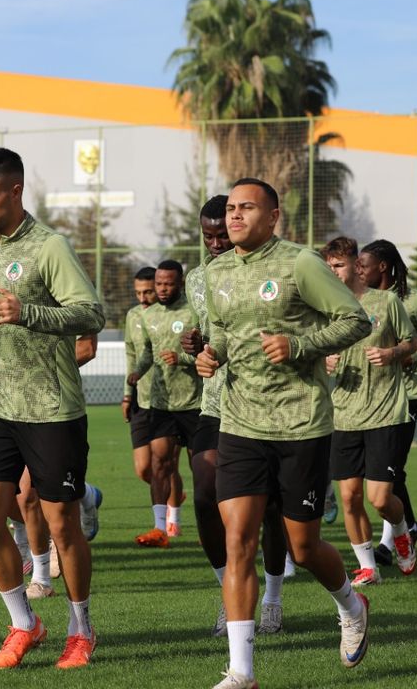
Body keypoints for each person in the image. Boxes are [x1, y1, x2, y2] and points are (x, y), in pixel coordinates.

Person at [196, 178, 372, 689]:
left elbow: (355, 320)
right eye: (231, 208)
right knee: (238, 540)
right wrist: (212, 353)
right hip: (240, 423)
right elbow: (223, 331)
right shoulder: (216, 271)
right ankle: (241, 672)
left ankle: (351, 604)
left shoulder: (300, 263)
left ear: (273, 216)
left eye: (247, 208)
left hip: (301, 424)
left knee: (303, 547)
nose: (234, 216)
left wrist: (299, 346)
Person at [0, 148, 106, 670]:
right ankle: (24, 623)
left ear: (16, 190)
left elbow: (91, 313)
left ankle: (81, 629)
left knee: (62, 525)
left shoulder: (50, 246)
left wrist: (29, 313)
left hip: (52, 408)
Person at [181, 195, 288, 636]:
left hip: (267, 403)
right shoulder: (197, 279)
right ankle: (230, 592)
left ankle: (273, 598)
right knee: (205, 492)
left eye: (221, 235)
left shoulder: (275, 268)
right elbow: (207, 339)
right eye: (208, 237)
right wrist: (195, 346)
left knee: (271, 508)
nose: (215, 244)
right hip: (216, 403)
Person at [321, 237, 417, 584]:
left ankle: (402, 530)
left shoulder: (386, 302)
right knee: (349, 497)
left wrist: (392, 354)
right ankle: (368, 567)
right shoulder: (326, 309)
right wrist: (325, 360)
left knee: (379, 499)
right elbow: (316, 350)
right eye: (329, 266)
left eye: (338, 265)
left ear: (355, 265)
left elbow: (412, 342)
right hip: (343, 414)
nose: (333, 272)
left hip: (384, 413)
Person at [357, 239, 417, 562]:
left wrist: (411, 357)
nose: (358, 271)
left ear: (382, 267)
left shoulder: (415, 301)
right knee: (380, 471)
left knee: (391, 469)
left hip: (404, 397)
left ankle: (390, 541)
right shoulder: (361, 301)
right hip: (368, 398)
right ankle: (408, 526)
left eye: (363, 266)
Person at [129, 259, 198, 546]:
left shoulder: (194, 311)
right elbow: (146, 351)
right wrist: (138, 371)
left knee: (201, 468)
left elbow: (208, 350)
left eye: (168, 284)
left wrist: (182, 358)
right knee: (159, 462)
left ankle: (210, 527)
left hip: (194, 402)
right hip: (161, 403)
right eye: (159, 284)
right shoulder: (150, 315)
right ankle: (159, 529)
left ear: (180, 283)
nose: (162, 289)